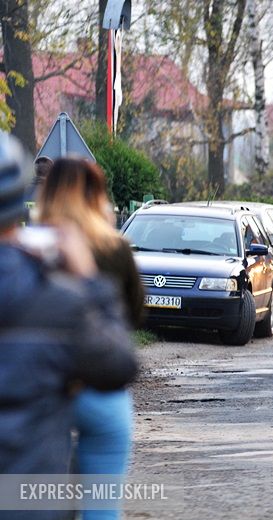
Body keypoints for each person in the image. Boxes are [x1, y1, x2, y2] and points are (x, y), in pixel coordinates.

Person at [0, 134, 137, 518]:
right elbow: (120, 363)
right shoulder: (61, 289)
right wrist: (90, 281)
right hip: (28, 495)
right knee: (111, 430)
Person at [37, 158, 144, 520]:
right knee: (103, 506)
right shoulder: (115, 248)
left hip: (42, 387)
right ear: (98, 197)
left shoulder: (31, 248)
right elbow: (133, 317)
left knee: (34, 500)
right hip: (100, 389)